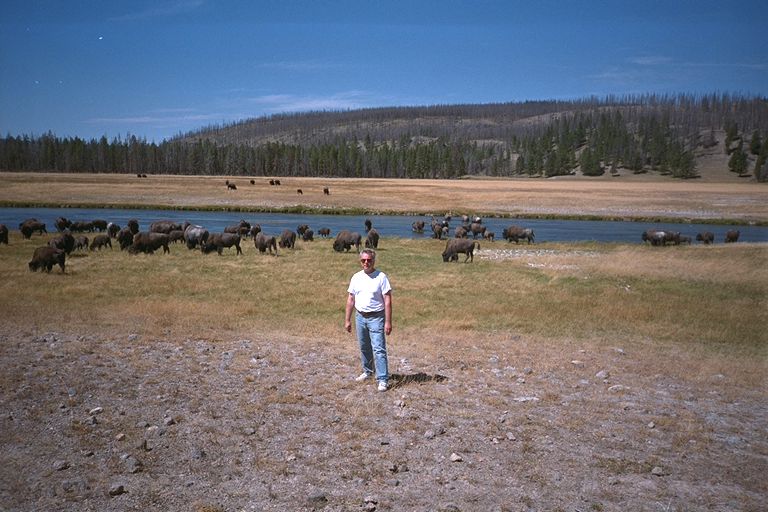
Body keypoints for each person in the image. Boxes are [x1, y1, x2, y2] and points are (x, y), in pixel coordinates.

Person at [344, 248, 393, 392]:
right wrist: (347, 320)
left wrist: (388, 322)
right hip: (360, 317)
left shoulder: (381, 277)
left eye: (369, 260)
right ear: (360, 261)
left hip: (376, 317)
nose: (366, 262)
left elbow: (388, 301)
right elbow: (351, 299)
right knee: (364, 346)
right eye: (363, 260)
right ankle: (368, 372)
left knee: (378, 349)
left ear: (373, 261)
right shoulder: (356, 277)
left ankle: (383, 379)